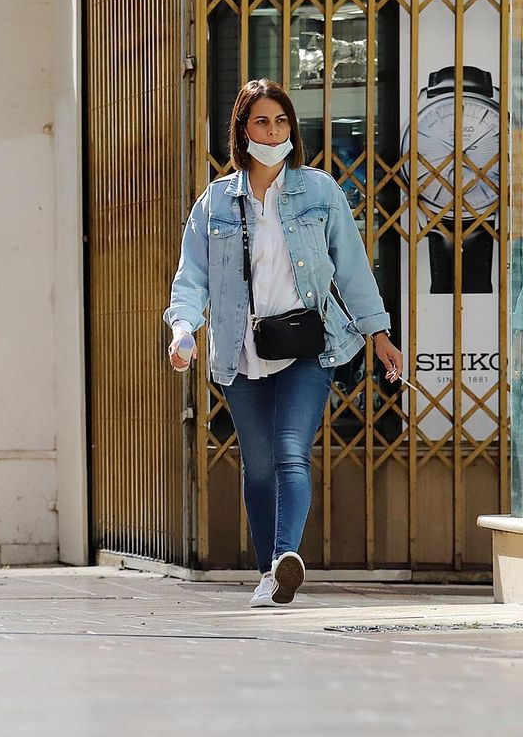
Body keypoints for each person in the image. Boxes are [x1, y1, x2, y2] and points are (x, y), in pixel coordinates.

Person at [166, 79, 405, 608]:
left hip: (308, 347)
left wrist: (379, 333)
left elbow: (353, 269)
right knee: (259, 464)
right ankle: (267, 574)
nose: (272, 131)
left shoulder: (320, 193)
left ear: (291, 130)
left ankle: (282, 561)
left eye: (280, 122)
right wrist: (183, 330)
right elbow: (192, 278)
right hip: (240, 349)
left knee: (291, 451)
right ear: (242, 131)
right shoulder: (215, 204)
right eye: (261, 122)